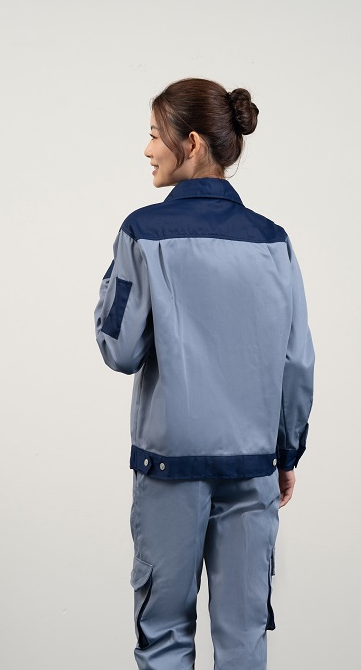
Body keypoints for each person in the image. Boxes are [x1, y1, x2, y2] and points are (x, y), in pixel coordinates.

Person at [94, 77, 315, 670]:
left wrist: (114, 279)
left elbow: (119, 349)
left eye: (154, 135)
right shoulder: (274, 242)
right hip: (252, 466)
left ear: (191, 143)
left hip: (170, 468)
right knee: (244, 639)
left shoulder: (142, 232)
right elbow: (297, 361)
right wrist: (286, 452)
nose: (147, 150)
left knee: (165, 632)